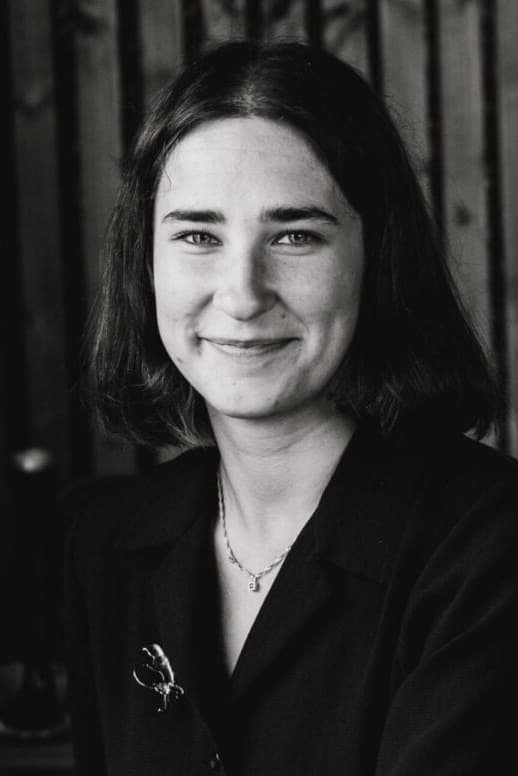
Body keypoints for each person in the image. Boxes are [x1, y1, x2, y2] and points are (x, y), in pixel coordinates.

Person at [63, 40, 518, 775]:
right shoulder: (105, 547)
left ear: (377, 257)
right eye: (198, 235)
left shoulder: (489, 548)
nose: (243, 294)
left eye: (296, 235)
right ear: (145, 264)